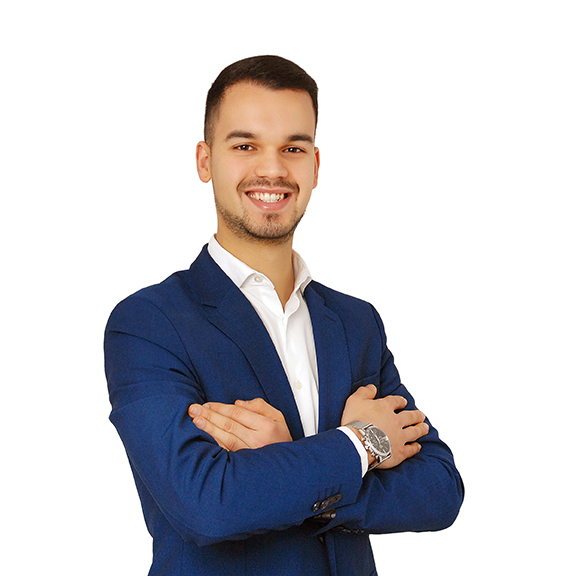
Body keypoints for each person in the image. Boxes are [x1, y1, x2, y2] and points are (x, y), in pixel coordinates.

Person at [104, 55, 464, 576]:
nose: (272, 169)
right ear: (205, 161)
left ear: (315, 165)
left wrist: (287, 465)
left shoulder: (356, 322)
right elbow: (207, 504)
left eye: (292, 148)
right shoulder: (148, 323)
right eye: (245, 146)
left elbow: (438, 489)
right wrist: (362, 443)